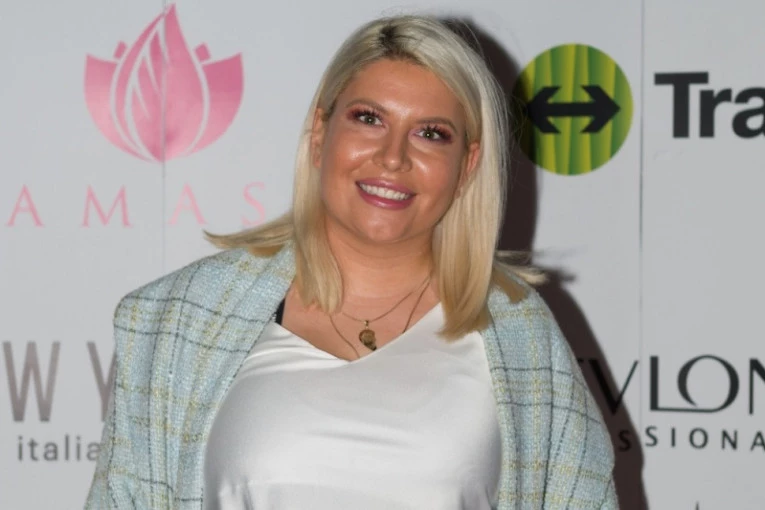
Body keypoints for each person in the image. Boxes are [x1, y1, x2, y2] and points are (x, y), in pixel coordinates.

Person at [85, 14, 617, 510]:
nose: (393, 157)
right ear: (320, 134)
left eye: (431, 133)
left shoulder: (519, 332)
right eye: (369, 119)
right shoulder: (181, 319)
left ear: (467, 165)